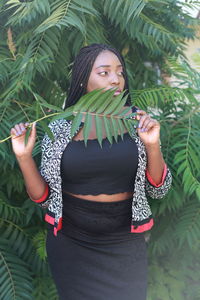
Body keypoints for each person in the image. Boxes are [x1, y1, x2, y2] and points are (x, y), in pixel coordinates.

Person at [10, 43, 172, 300]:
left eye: (119, 72)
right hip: (72, 243)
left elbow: (159, 189)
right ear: (84, 80)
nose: (116, 79)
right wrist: (23, 156)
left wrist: (152, 145)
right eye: (104, 72)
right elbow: (44, 198)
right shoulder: (61, 127)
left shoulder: (138, 122)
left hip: (124, 241)